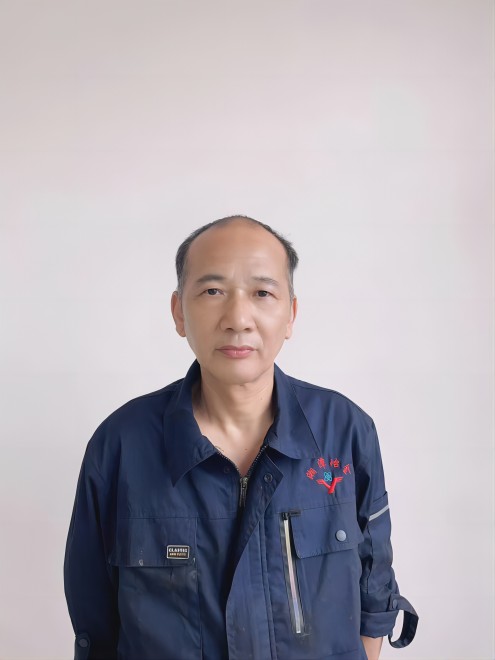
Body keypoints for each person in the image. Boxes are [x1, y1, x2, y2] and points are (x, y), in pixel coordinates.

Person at [64, 215, 418, 660]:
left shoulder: (344, 431)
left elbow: (374, 591)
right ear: (179, 311)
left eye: (262, 293)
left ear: (290, 314)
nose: (237, 319)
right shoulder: (121, 446)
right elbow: (95, 621)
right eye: (213, 291)